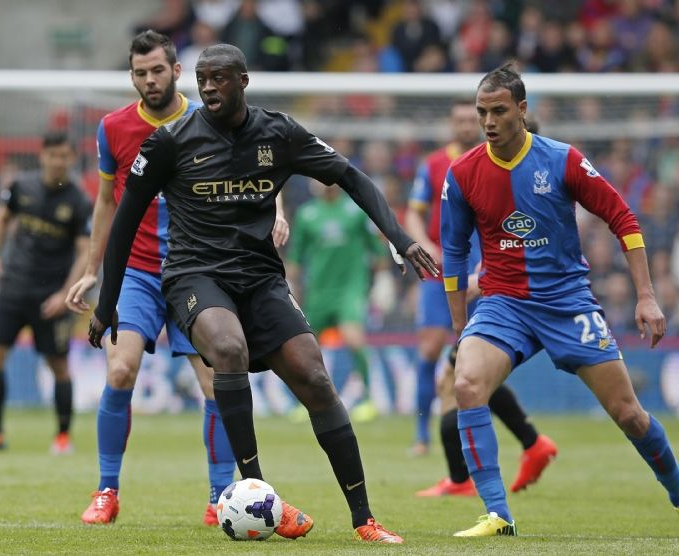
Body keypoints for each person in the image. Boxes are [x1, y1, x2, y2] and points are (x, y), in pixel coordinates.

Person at [88, 43, 437, 543]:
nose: (209, 87)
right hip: (194, 275)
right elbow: (123, 221)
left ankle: (365, 519)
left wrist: (399, 237)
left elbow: (350, 176)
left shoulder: (279, 132)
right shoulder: (170, 141)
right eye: (203, 79)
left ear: (243, 81)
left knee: (315, 377)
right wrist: (106, 305)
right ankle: (259, 493)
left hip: (261, 278)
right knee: (228, 349)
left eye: (220, 78)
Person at [440, 63, 679, 539]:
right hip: (504, 304)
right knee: (466, 384)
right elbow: (453, 251)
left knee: (628, 414)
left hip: (567, 303)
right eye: (482, 111)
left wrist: (646, 296)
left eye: (498, 111)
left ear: (522, 110)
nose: (488, 121)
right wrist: (459, 324)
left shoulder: (561, 160)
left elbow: (622, 217)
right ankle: (498, 515)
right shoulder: (463, 172)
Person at [65, 31, 279, 527]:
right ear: (132, 76)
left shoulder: (210, 118)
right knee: (120, 370)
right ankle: (106, 490)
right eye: (140, 73)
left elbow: (260, 166)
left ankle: (219, 497)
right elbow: (107, 203)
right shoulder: (113, 128)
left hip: (198, 267)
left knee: (215, 381)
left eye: (157, 70)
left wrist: (279, 210)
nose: (149, 80)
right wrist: (93, 270)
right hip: (137, 272)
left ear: (176, 71)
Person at [407, 99, 557, 492]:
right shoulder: (447, 165)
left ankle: (469, 476)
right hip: (459, 274)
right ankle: (528, 445)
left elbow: (506, 230)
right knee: (461, 372)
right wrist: (424, 247)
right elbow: (418, 213)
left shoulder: (490, 168)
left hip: (487, 281)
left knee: (461, 376)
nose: (468, 125)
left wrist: (482, 273)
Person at [0, 131, 91, 455]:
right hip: (14, 287)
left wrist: (65, 293)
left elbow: (85, 252)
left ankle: (62, 436)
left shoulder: (78, 201)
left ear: (71, 158)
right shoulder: (21, 187)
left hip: (50, 296)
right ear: (42, 155)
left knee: (58, 364)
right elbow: (0, 219)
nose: (58, 161)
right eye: (53, 155)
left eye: (64, 156)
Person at [285, 180, 389, 423]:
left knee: (353, 338)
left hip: (350, 288)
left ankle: (368, 400)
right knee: (306, 346)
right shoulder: (307, 214)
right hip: (318, 291)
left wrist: (384, 279)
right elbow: (296, 256)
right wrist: (289, 285)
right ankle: (304, 402)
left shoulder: (355, 211)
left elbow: (377, 249)